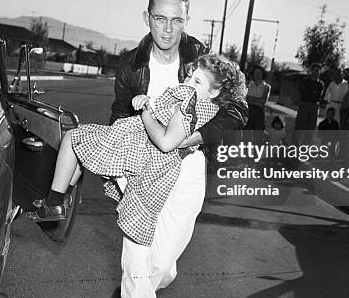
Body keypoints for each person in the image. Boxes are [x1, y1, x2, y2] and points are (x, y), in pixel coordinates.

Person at [105, 0, 247, 298]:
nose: (167, 29)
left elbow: (238, 109)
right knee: (138, 266)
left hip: (187, 168)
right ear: (147, 18)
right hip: (141, 169)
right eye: (159, 19)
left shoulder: (199, 57)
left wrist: (198, 137)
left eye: (176, 20)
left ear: (186, 21)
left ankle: (143, 286)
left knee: (162, 263)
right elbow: (119, 113)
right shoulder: (130, 65)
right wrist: (115, 166)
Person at [27, 54, 245, 235]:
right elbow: (166, 117)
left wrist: (146, 112)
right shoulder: (205, 106)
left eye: (196, 82)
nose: (188, 84)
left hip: (139, 149)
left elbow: (166, 141)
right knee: (80, 146)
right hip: (142, 145)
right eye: (189, 77)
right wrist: (148, 101)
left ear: (214, 92)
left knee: (72, 138)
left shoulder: (189, 106)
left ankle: (55, 201)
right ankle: (59, 199)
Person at [294, 63, 324, 145]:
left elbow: (319, 96)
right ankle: (295, 146)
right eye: (315, 70)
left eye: (318, 71)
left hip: (314, 106)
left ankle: (305, 147)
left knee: (310, 128)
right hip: (304, 105)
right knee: (300, 127)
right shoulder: (304, 81)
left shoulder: (320, 84)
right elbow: (300, 93)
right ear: (311, 71)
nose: (316, 72)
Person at [244, 65, 271, 130]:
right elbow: (244, 98)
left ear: (263, 74)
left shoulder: (266, 87)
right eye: (255, 73)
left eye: (259, 73)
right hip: (247, 112)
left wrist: (250, 99)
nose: (257, 75)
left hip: (259, 114)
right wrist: (257, 100)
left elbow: (263, 102)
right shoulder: (248, 85)